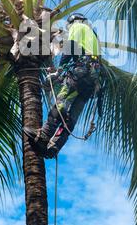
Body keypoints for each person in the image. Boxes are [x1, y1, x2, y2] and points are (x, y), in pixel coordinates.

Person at [24, 13, 103, 158]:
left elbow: (70, 47)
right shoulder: (94, 37)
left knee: (61, 104)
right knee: (72, 116)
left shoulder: (77, 26)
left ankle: (44, 135)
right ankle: (54, 147)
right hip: (92, 83)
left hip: (81, 72)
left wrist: (60, 70)